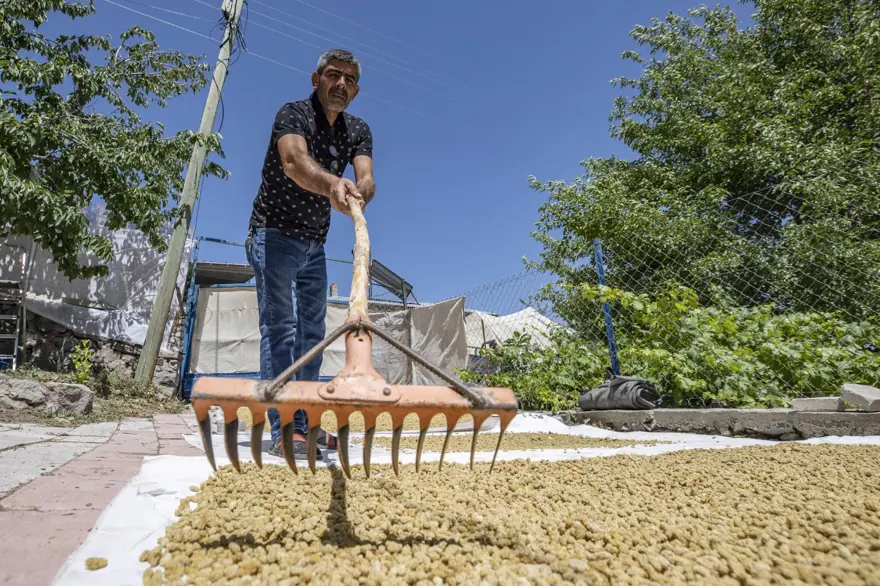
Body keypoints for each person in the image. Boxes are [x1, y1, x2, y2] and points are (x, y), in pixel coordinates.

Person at [246, 49, 375, 459]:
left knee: (313, 336)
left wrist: (361, 191)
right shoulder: (294, 114)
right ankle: (286, 428)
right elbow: (293, 161)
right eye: (333, 75)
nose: (341, 84)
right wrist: (334, 185)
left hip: (314, 244)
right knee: (281, 330)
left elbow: (366, 176)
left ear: (356, 90)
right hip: (274, 235)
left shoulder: (357, 129)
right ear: (315, 78)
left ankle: (309, 423)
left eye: (349, 79)